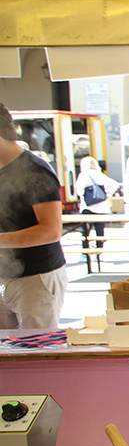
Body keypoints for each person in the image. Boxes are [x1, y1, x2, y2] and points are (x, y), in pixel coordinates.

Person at [0, 103, 68, 329]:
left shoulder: (34, 170)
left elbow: (51, 231)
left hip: (36, 278)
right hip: (6, 278)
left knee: (38, 354)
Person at [73, 156, 121, 259]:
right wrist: (108, 193)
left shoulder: (84, 175)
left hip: (88, 207)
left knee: (85, 231)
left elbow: (78, 188)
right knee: (100, 231)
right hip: (102, 207)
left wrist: (83, 195)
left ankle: (85, 254)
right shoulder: (101, 175)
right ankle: (99, 253)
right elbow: (114, 184)